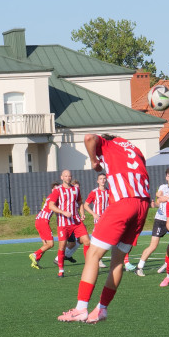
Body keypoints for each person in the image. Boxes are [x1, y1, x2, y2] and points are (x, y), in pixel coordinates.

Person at [57, 134, 150, 323]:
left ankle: (81, 308)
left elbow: (90, 138)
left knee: (92, 254)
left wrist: (94, 161)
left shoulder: (109, 143)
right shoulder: (135, 149)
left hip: (124, 203)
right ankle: (102, 308)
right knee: (117, 261)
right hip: (143, 205)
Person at [134, 166, 169, 277]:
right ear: (166, 177)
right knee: (153, 246)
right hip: (161, 219)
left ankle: (167, 263)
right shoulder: (164, 187)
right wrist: (161, 197)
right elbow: (159, 195)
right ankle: (139, 267)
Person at [51, 170, 90, 278]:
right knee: (62, 246)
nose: (68, 177)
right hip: (63, 222)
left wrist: (82, 213)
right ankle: (61, 270)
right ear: (62, 177)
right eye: (66, 176)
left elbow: (80, 202)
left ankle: (88, 267)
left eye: (69, 176)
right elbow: (51, 205)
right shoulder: (57, 190)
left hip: (76, 221)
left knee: (87, 241)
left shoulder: (76, 189)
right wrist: (63, 212)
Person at [29, 182, 60, 269]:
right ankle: (34, 254)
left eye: (58, 189)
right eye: (55, 189)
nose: (56, 190)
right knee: (50, 244)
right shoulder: (54, 198)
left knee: (45, 245)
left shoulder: (50, 196)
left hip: (38, 220)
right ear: (52, 190)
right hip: (43, 221)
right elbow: (56, 209)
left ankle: (36, 261)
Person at [84, 174, 112, 269]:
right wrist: (93, 214)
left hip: (108, 219)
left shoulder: (109, 191)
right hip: (98, 219)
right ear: (97, 181)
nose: (103, 180)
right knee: (99, 238)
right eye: (101, 179)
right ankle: (97, 259)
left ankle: (98, 257)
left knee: (109, 239)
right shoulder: (94, 192)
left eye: (104, 178)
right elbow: (86, 205)